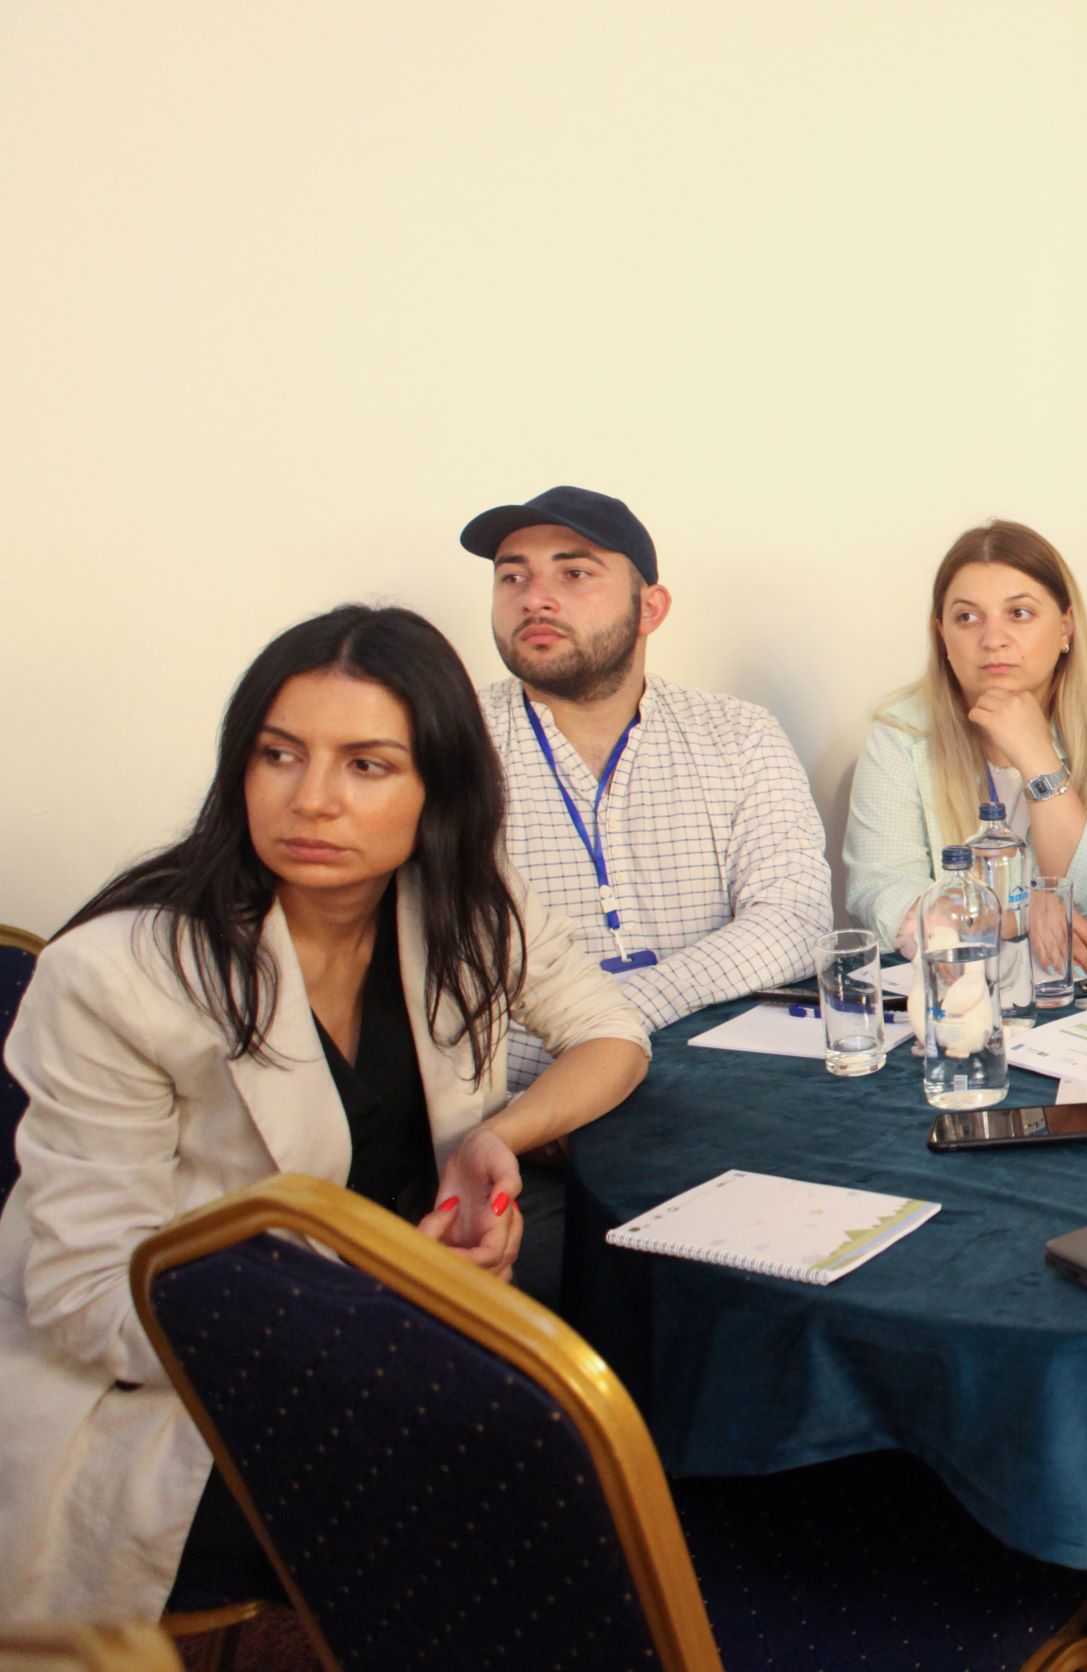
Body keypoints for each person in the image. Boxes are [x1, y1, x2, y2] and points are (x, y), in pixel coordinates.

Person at [0, 605, 649, 1627]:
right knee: (515, 1483)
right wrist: (377, 1304)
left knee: (621, 1372)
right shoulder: (116, 976)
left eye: (366, 765)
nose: (311, 799)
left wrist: (499, 1134)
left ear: (440, 787)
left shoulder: (464, 903)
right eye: (279, 755)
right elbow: (86, 1299)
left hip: (381, 1342)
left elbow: (611, 1032)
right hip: (173, 1393)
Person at [466, 484, 833, 1088]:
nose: (534, 599)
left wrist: (607, 1021)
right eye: (513, 577)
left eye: (574, 573)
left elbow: (795, 924)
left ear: (650, 609)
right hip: (526, 1108)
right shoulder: (450, 747)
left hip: (725, 1087)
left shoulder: (738, 734)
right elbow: (445, 979)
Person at [845, 520, 1087, 956]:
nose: (993, 639)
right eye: (967, 617)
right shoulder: (901, 735)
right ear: (942, 635)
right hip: (960, 980)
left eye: (1019, 613)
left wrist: (1037, 757)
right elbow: (879, 890)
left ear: (1065, 626)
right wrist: (1016, 919)